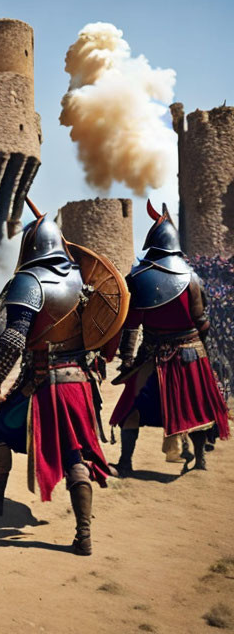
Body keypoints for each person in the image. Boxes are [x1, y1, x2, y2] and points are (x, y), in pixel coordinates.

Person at [0, 211, 113, 556]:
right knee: (74, 452)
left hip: (42, 384)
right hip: (79, 383)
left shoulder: (29, 281)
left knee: (0, 431)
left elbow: (13, 340)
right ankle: (84, 533)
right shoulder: (82, 280)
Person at [110, 202, 230, 473]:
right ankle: (199, 461)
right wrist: (203, 351)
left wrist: (128, 360)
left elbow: (130, 326)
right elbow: (202, 321)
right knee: (196, 406)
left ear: (152, 242)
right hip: (192, 352)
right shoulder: (192, 277)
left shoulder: (139, 276)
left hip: (153, 354)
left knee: (133, 406)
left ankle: (126, 462)